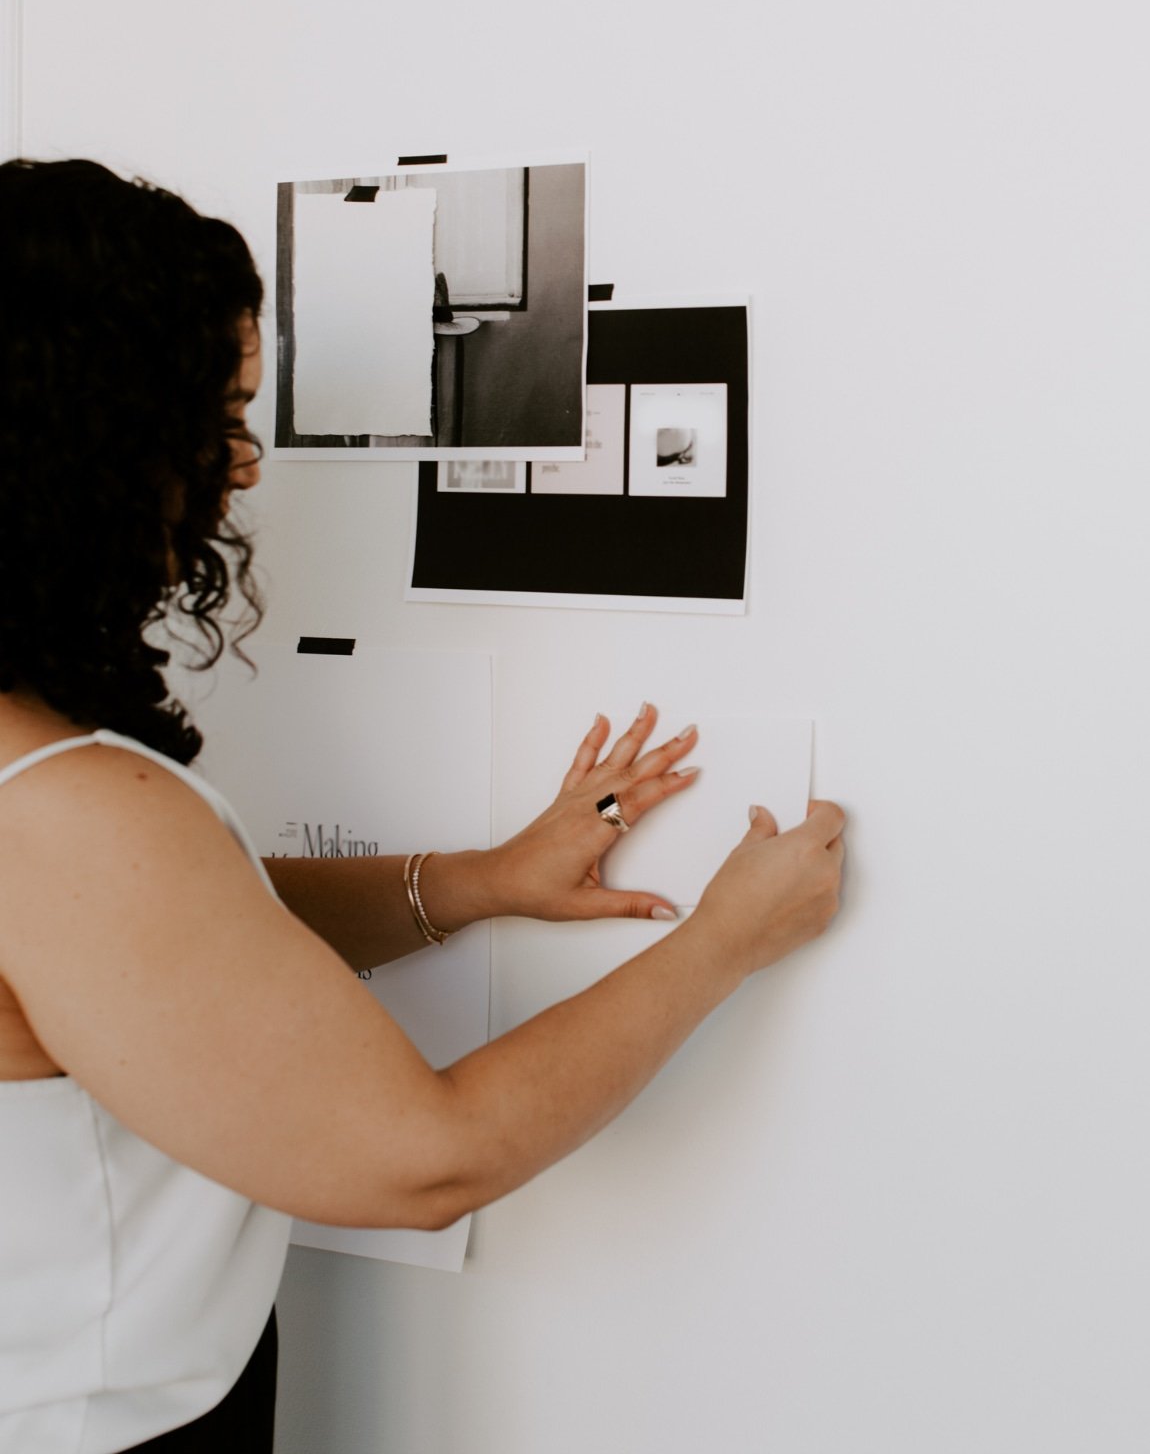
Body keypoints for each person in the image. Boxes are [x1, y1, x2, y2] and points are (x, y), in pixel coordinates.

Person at [0, 158, 846, 1452]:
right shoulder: (65, 813)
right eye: (214, 418)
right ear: (87, 439)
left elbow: (155, 957)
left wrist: (474, 881)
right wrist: (724, 937)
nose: (243, 469)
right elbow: (421, 1160)